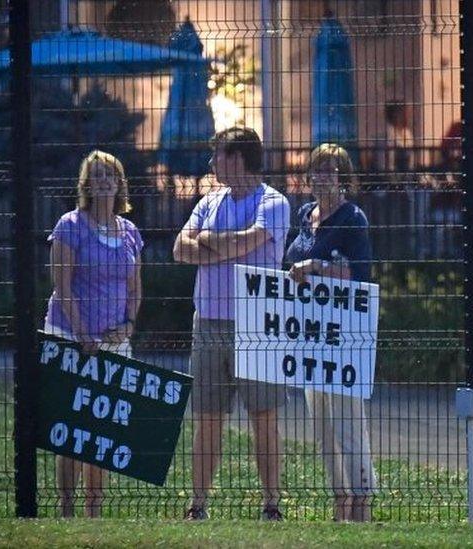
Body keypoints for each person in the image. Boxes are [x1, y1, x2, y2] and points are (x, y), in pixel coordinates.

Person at [173, 126, 291, 521]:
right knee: (207, 417)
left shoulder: (273, 202)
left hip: (257, 325)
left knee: (264, 417)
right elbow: (179, 248)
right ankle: (198, 504)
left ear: (237, 159)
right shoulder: (209, 200)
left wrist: (207, 242)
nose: (212, 163)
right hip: (207, 323)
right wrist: (223, 247)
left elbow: (249, 241)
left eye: (218, 155)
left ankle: (272, 504)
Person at [44, 150, 144, 518]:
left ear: (120, 184)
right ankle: (67, 507)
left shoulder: (130, 231)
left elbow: (135, 289)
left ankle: (95, 509)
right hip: (71, 334)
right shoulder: (69, 225)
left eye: (111, 175)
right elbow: (62, 285)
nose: (105, 181)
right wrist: (83, 334)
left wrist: (128, 325)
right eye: (98, 175)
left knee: (101, 427)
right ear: (86, 184)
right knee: (71, 427)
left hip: (114, 340)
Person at [285, 143, 377, 521]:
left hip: (342, 336)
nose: (322, 176)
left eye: (330, 170)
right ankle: (339, 497)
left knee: (348, 421)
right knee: (321, 424)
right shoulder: (306, 215)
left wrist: (317, 265)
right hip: (309, 334)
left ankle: (361, 498)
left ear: (343, 177)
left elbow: (357, 273)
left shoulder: (353, 219)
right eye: (316, 169)